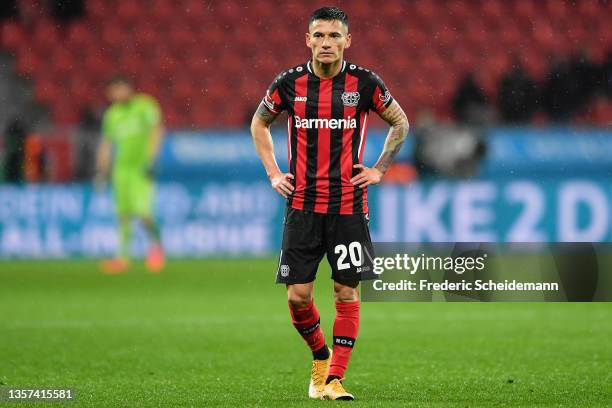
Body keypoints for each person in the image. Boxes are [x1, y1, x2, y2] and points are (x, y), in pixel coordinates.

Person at [250, 7, 409, 401]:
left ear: (347, 41)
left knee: (345, 292)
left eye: (334, 36)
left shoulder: (365, 83)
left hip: (349, 207)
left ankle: (335, 378)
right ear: (308, 40)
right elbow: (259, 123)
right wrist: (273, 172)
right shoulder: (289, 83)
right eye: (319, 35)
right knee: (297, 296)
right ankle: (321, 357)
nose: (326, 43)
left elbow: (400, 122)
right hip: (302, 206)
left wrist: (380, 169)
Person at [95, 76, 165, 274]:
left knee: (143, 213)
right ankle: (123, 257)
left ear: (129, 89)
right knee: (123, 215)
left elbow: (157, 132)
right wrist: (101, 172)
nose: (117, 94)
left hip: (141, 169)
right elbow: (107, 145)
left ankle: (157, 247)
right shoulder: (112, 115)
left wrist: (152, 160)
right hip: (121, 171)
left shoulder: (145, 106)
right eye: (113, 91)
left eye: (120, 89)